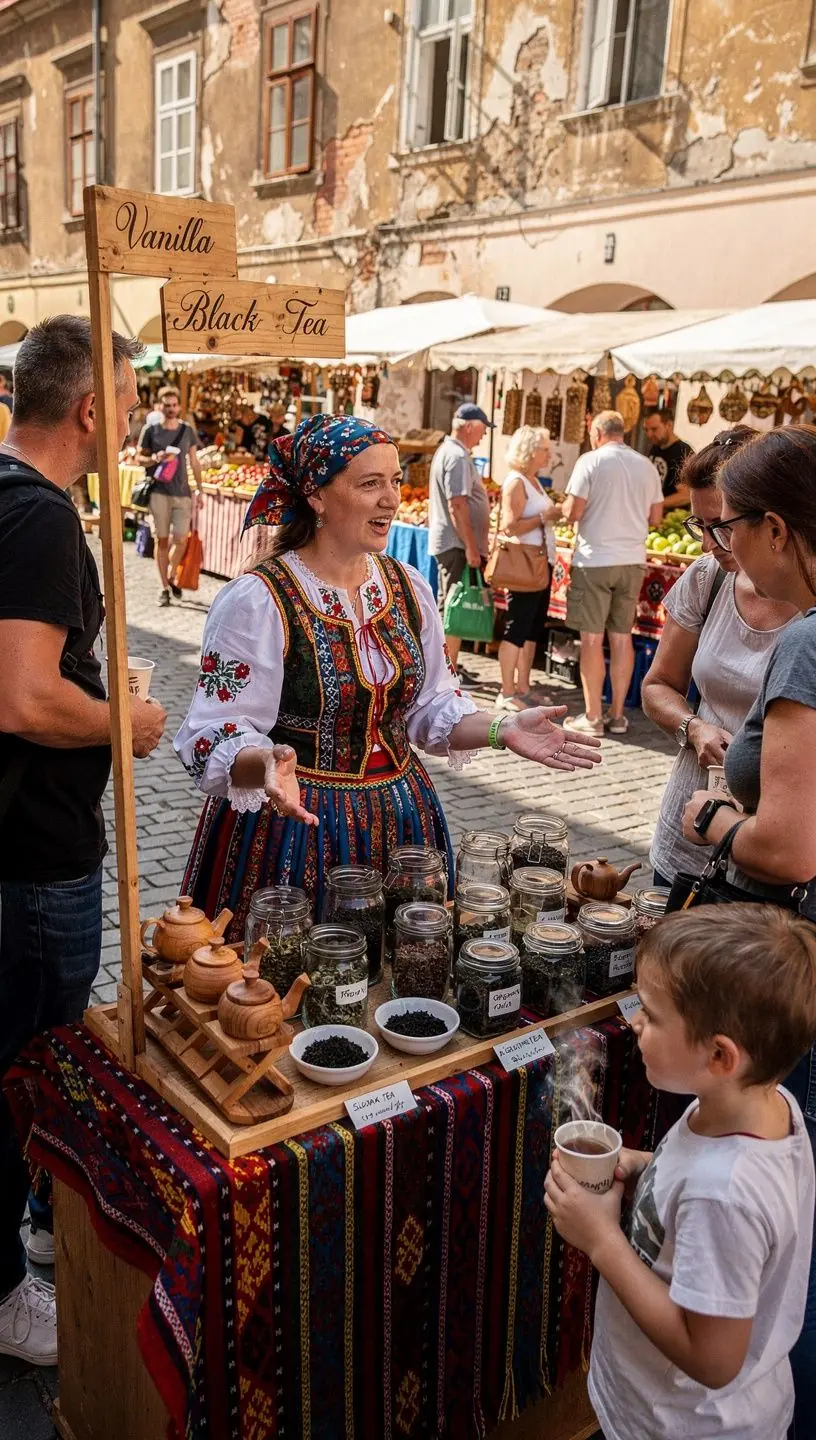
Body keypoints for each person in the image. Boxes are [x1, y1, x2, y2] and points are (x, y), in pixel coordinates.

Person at [175, 414, 601, 933]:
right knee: (286, 979)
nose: (391, 499)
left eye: (395, 481)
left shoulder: (407, 587)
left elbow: (431, 707)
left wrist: (500, 728)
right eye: (369, 483)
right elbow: (210, 732)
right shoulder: (259, 601)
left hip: (401, 821)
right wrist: (264, 762)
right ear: (316, 495)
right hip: (294, 828)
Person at [0, 316, 166, 1365]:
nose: (139, 425)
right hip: (29, 853)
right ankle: (8, 1291)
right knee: (26, 1063)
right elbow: (21, 697)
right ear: (93, 410)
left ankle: (26, 1226)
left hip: (21, 846)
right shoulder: (42, 520)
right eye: (133, 404)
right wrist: (127, 723)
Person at [545, 905, 816, 1440]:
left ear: (720, 1056)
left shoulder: (726, 1195)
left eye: (651, 1012)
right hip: (656, 1408)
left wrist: (600, 1240)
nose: (634, 1022)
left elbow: (711, 1358)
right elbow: (692, 1180)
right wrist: (642, 1166)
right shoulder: (756, 1104)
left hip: (689, 1425)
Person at [680, 425, 816, 1435]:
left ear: (778, 527)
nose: (723, 545)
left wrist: (715, 820)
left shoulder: (808, 641)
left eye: (730, 526)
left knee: (782, 1192)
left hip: (797, 939)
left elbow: (783, 848)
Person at [642, 428, 799, 889]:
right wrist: (694, 727)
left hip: (765, 853)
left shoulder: (805, 619)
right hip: (690, 826)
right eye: (699, 526)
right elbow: (657, 686)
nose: (710, 543)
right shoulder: (707, 578)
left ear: (772, 524)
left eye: (722, 526)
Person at [563, 410, 663, 738]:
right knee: (621, 637)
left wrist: (568, 511)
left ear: (597, 432)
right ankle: (618, 716)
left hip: (595, 559)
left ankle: (592, 717)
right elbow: (656, 518)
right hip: (632, 559)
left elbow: (573, 512)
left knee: (592, 639)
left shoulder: (589, 462)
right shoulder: (646, 465)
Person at [497, 425, 561, 710]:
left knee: (533, 628)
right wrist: (543, 518)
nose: (549, 454)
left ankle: (523, 685)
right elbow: (510, 526)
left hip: (540, 563)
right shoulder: (516, 482)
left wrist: (550, 517)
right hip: (524, 563)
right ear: (530, 451)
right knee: (517, 627)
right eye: (544, 449)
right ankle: (506, 691)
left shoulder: (533, 480)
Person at [428, 402, 492, 685]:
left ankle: (451, 666)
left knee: (451, 604)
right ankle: (447, 673)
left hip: (454, 541)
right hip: (456, 543)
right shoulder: (456, 456)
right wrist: (470, 545)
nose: (483, 437)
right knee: (454, 607)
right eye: (482, 431)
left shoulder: (453, 452)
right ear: (469, 427)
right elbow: (458, 505)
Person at [136, 385, 203, 607]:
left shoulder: (187, 431)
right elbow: (139, 459)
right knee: (162, 540)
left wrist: (200, 489)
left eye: (174, 405)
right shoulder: (151, 431)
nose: (171, 409)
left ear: (179, 407)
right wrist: (156, 457)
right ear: (160, 406)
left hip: (182, 492)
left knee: (181, 539)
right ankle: (164, 587)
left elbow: (194, 461)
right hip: (158, 493)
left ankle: (172, 574)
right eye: (167, 405)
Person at [643, 410, 693, 511]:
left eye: (654, 429)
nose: (649, 434)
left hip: (672, 518)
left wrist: (655, 505)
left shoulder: (683, 452)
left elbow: (687, 495)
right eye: (646, 430)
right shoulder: (655, 448)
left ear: (669, 425)